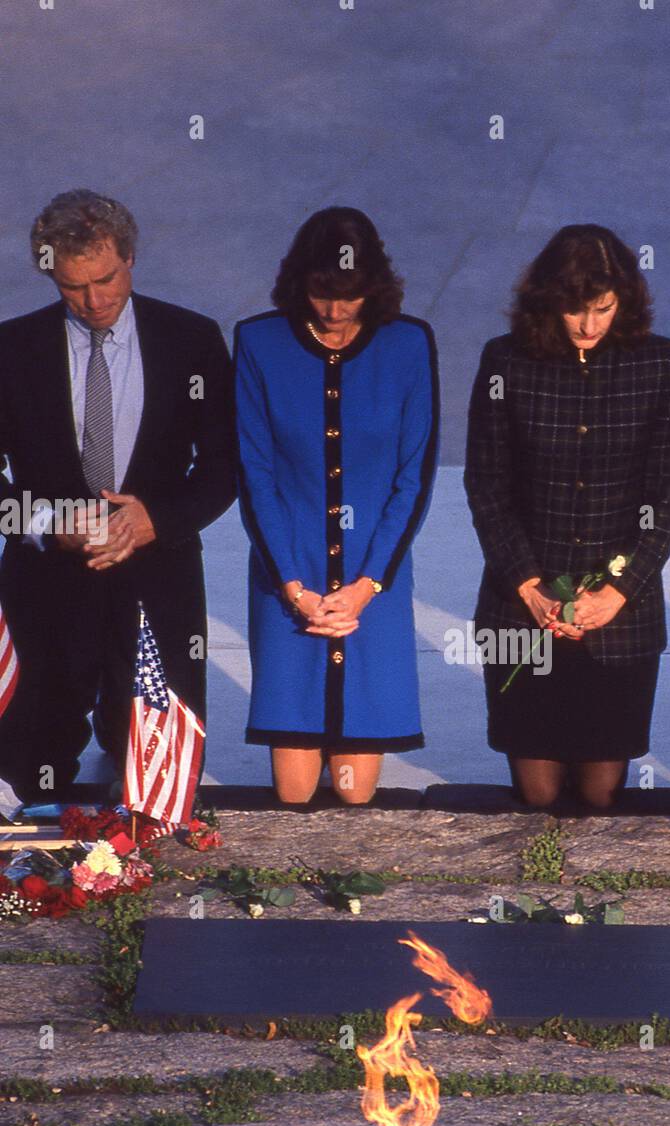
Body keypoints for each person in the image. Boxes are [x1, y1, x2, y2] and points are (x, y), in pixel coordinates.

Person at [0, 189, 238, 803]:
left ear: (130, 257)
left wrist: (155, 520)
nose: (95, 301)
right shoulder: (11, 349)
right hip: (46, 583)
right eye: (73, 287)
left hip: (158, 579)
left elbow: (224, 465)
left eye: (106, 280)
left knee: (157, 775)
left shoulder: (191, 339)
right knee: (26, 761)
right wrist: (49, 522)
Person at [464, 224, 670, 809]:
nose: (588, 325)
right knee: (537, 795)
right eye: (573, 310)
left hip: (619, 615)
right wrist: (531, 588)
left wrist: (618, 592)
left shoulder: (661, 363)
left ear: (626, 302)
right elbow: (487, 486)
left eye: (603, 309)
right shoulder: (505, 361)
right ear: (547, 303)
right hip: (522, 608)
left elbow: (664, 497)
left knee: (599, 795)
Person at [235, 207, 438, 806]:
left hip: (371, 589)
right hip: (286, 582)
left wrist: (365, 586)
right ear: (300, 283)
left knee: (355, 797)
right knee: (293, 796)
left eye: (348, 298)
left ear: (373, 289)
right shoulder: (258, 341)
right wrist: (295, 587)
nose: (333, 312)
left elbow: (414, 477)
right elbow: (256, 472)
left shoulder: (408, 343)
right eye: (322, 294)